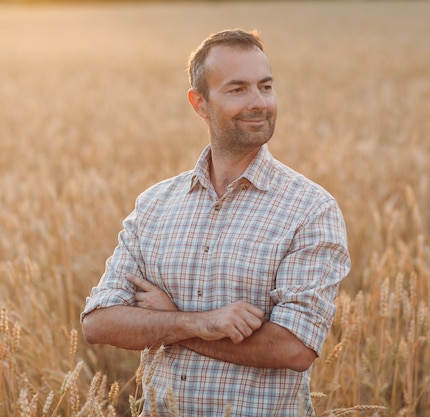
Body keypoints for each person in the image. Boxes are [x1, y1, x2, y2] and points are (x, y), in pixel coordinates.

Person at [81, 29, 351, 416]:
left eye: (266, 86)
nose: (259, 103)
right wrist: (205, 323)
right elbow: (99, 322)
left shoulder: (310, 210)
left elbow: (295, 348)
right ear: (199, 103)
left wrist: (172, 321)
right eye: (237, 89)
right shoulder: (156, 205)